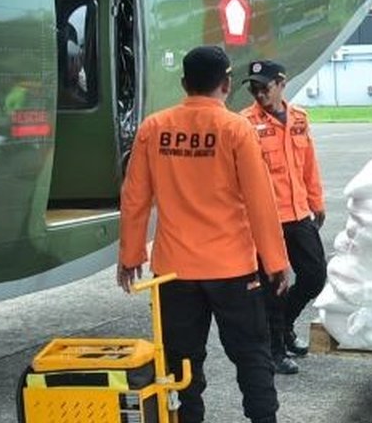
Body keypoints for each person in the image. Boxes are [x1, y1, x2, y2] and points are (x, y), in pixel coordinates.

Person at [118, 46, 289, 423]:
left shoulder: (154, 128)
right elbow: (260, 201)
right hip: (232, 269)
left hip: (173, 272)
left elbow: (134, 199)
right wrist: (276, 262)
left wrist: (130, 256)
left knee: (180, 364)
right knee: (252, 354)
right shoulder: (236, 129)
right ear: (226, 84)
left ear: (184, 84)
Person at [241, 60, 327, 375]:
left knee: (315, 276)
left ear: (281, 83)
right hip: (267, 220)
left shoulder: (299, 118)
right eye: (253, 88)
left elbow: (308, 165)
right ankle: (274, 351)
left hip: (299, 212)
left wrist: (316, 201)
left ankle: (286, 326)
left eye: (264, 87)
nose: (259, 93)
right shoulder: (245, 123)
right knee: (273, 289)